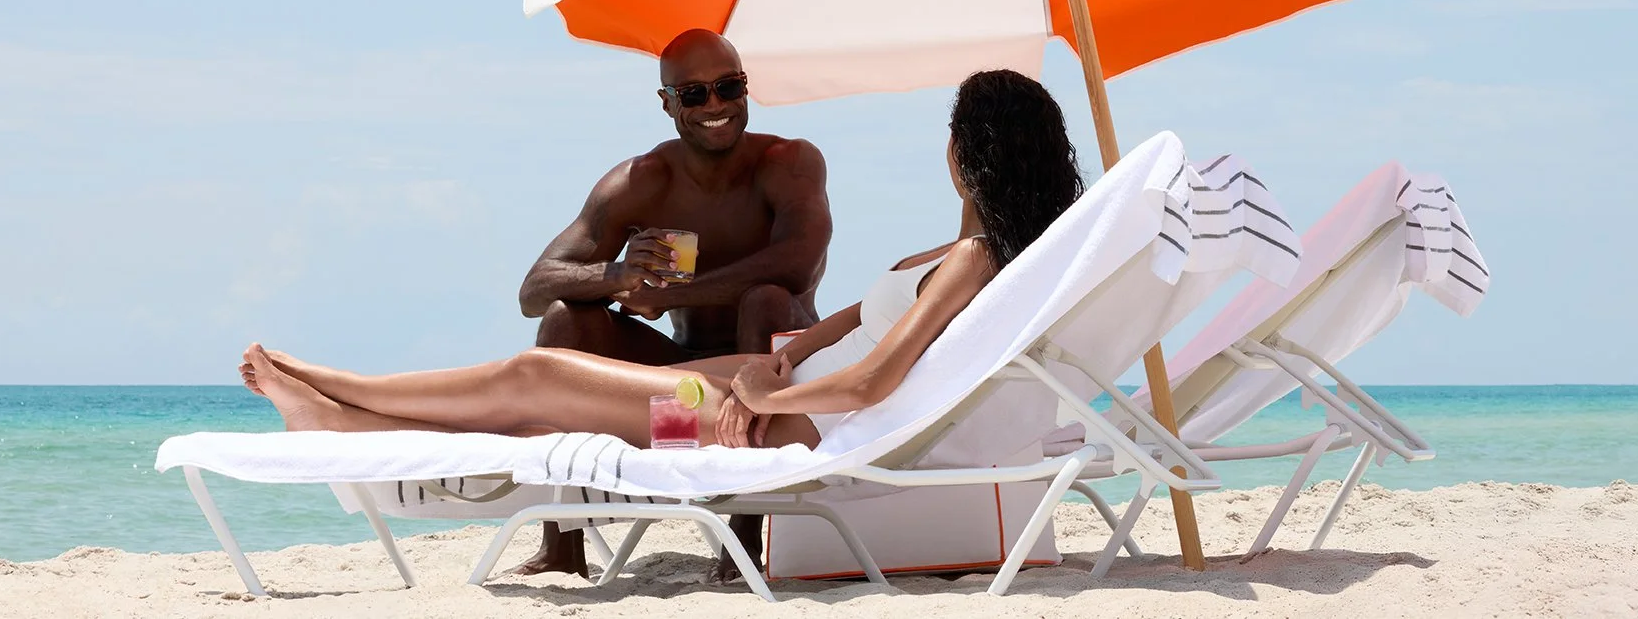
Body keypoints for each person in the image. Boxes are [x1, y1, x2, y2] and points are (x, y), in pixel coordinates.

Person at [239, 70, 1085, 560]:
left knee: (537, 378)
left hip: (796, 425)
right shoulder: (968, 249)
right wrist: (785, 357)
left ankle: (337, 401)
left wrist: (763, 396)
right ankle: (342, 414)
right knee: (563, 392)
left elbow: (873, 380)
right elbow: (856, 324)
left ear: (969, 153)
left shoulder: (977, 259)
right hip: (782, 387)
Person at [514, 27, 832, 573]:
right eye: (693, 94)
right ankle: (562, 545)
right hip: (682, 394)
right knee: (567, 319)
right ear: (667, 103)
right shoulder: (643, 181)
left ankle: (746, 531)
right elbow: (535, 289)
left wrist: (672, 294)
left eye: (728, 88)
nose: (715, 105)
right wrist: (617, 274)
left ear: (745, 88)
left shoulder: (790, 163)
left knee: (765, 299)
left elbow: (796, 262)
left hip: (781, 382)